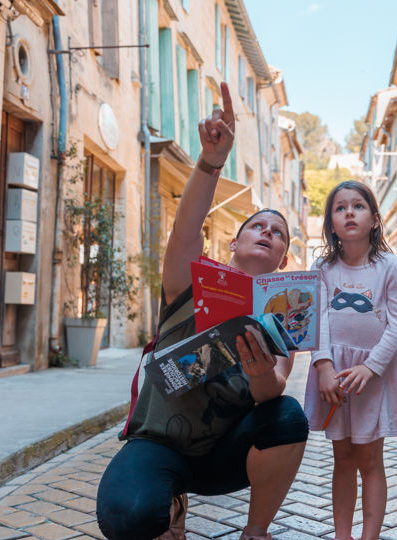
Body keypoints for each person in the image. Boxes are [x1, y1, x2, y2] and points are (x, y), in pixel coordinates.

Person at [96, 82, 308, 540]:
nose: (268, 233)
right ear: (234, 241)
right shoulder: (189, 279)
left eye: (279, 233)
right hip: (159, 442)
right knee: (126, 517)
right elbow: (186, 227)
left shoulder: (284, 315)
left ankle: (255, 531)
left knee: (290, 416)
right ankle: (168, 503)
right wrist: (212, 160)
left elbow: (273, 390)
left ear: (283, 260)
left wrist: (259, 372)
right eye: (258, 226)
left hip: (225, 453)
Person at [305, 180, 397, 540]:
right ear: (331, 224)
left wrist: (371, 367)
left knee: (369, 459)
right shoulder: (322, 268)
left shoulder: (392, 266)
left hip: (374, 376)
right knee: (343, 458)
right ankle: (342, 535)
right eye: (340, 208)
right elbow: (316, 318)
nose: (349, 212)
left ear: (374, 219)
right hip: (334, 375)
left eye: (358, 206)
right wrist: (324, 366)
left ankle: (369, 536)